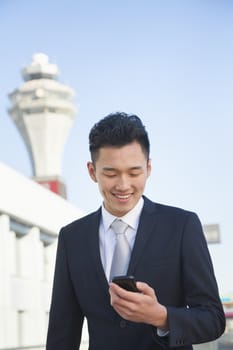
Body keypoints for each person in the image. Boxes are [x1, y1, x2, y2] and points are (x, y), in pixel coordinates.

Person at [46, 112, 225, 350]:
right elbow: (62, 334)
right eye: (110, 173)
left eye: (134, 173)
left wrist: (160, 316)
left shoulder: (182, 226)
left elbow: (213, 319)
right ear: (92, 172)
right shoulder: (72, 238)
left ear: (149, 168)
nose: (123, 185)